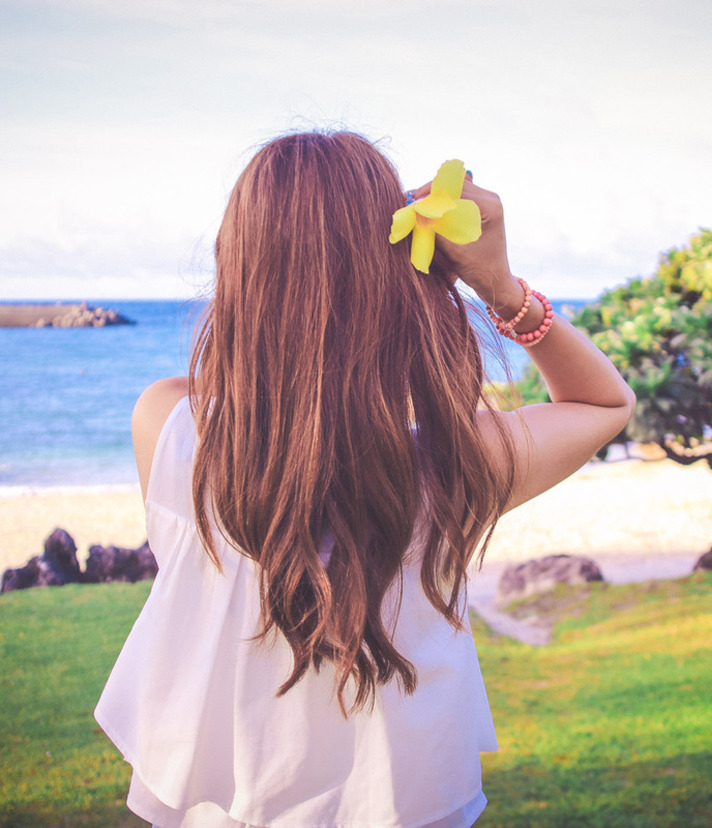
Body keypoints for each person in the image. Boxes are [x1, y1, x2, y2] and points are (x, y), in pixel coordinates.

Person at [95, 130, 635, 828]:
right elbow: (603, 403)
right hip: (405, 803)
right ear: (396, 278)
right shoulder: (458, 464)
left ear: (237, 265)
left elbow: (254, 424)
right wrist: (499, 290)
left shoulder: (166, 423)